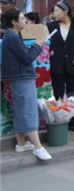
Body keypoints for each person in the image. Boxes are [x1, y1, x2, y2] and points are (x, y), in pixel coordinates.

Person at [1, 9, 52, 160]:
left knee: (20, 109)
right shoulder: (12, 37)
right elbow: (27, 58)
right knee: (29, 110)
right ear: (13, 22)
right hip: (22, 77)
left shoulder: (10, 36)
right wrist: (37, 45)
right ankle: (38, 147)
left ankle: (21, 143)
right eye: (22, 18)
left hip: (18, 77)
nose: (25, 21)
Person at [47, 0, 74, 131]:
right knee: (58, 94)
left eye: (57, 11)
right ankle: (60, 121)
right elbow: (45, 42)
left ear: (65, 12)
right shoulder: (51, 26)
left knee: (72, 94)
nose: (54, 13)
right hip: (57, 64)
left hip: (72, 65)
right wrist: (49, 51)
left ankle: (73, 122)